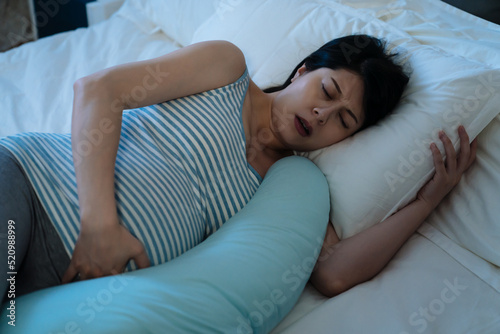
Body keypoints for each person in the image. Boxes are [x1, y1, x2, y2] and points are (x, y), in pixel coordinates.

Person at [0, 35, 475, 302]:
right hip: (30, 190)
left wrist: (428, 200)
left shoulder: (290, 186)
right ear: (303, 71)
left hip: (67, 285)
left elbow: (332, 274)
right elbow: (99, 90)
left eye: (344, 121)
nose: (321, 116)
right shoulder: (226, 69)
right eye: (327, 93)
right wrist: (99, 224)